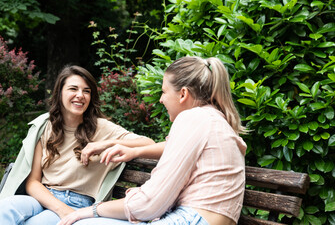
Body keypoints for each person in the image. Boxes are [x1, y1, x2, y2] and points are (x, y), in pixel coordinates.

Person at [58, 56, 247, 225]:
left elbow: (150, 203)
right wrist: (134, 151)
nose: (161, 100)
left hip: (192, 219)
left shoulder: (192, 118)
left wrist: (91, 210)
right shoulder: (213, 119)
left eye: (164, 92)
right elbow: (177, 147)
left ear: (183, 94)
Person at [0, 65, 154, 225]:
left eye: (86, 91)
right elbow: (33, 182)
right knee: (3, 209)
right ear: (59, 93)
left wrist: (105, 144)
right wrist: (61, 210)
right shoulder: (44, 126)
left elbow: (148, 144)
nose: (80, 95)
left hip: (77, 203)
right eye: (73, 89)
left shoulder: (101, 127)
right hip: (40, 197)